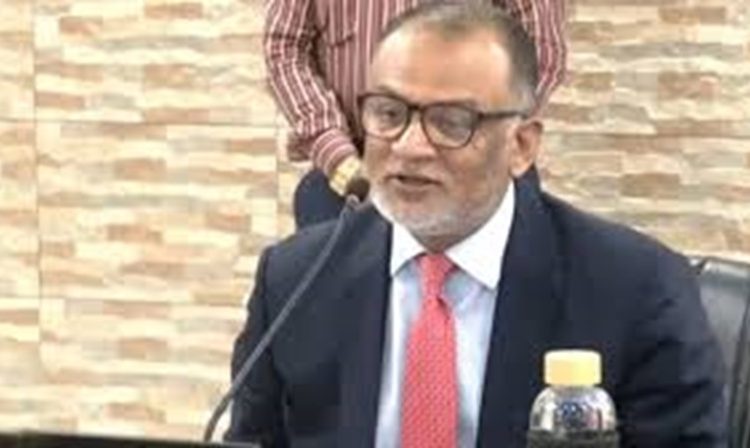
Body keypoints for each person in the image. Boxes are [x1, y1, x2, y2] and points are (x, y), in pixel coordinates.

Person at [228, 4, 726, 447]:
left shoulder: (635, 289)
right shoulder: (294, 281)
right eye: (388, 114)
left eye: (451, 122)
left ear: (521, 146)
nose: (409, 146)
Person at [264, 0, 567, 228]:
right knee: (332, 291)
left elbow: (542, 51)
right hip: (350, 166)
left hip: (475, 168)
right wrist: (338, 156)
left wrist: (479, 138)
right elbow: (284, 48)